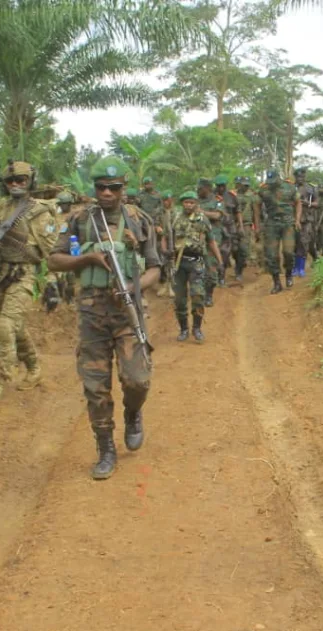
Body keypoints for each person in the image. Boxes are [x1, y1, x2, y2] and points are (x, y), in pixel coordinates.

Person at [46, 157, 161, 480]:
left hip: (128, 313)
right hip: (91, 314)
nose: (107, 193)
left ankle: (133, 411)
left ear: (124, 188)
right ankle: (105, 448)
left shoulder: (139, 220)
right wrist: (86, 258)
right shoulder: (79, 219)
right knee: (96, 388)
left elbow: (155, 268)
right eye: (101, 187)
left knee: (137, 380)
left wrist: (132, 287)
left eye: (114, 187)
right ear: (93, 188)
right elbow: (53, 260)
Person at [0, 161, 58, 409]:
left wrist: (52, 281)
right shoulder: (1, 206)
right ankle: (33, 367)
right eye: (11, 181)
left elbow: (53, 250)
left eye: (21, 180)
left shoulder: (41, 211)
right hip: (1, 274)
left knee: (5, 326)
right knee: (16, 327)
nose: (15, 184)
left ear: (30, 181)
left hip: (25, 275)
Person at [168, 191, 223, 342]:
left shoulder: (202, 220)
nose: (189, 205)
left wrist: (220, 261)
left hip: (196, 262)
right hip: (179, 263)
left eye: (191, 202)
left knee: (198, 296)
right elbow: (168, 237)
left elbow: (211, 241)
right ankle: (184, 329)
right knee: (179, 299)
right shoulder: (175, 218)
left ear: (196, 204)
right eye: (186, 202)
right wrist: (167, 253)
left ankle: (197, 328)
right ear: (182, 204)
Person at [258, 169, 300, 294]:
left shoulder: (290, 187)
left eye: (273, 181)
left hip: (287, 222)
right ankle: (276, 282)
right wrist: (257, 224)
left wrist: (297, 220)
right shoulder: (263, 189)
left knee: (288, 252)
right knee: (271, 255)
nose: (271, 183)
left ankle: (288, 274)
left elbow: (298, 203)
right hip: (271, 223)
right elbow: (256, 205)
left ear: (279, 178)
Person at [44, 191, 78, 311]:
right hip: (56, 249)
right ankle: (53, 301)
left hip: (71, 249)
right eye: (61, 204)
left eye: (65, 204)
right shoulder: (53, 218)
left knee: (71, 277)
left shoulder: (75, 216)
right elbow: (47, 233)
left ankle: (70, 299)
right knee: (53, 277)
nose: (63, 206)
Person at [197, 178, 225, 306]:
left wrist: (202, 213)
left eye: (200, 188)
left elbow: (217, 216)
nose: (198, 190)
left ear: (207, 188)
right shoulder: (195, 200)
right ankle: (199, 292)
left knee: (211, 267)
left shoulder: (217, 200)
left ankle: (209, 294)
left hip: (212, 238)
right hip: (196, 238)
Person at [293, 167, 319, 275]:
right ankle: (295, 267)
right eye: (298, 176)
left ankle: (301, 268)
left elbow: (317, 203)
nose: (300, 179)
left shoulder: (311, 188)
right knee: (294, 243)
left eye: (302, 176)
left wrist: (307, 203)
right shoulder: (291, 188)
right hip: (293, 218)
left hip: (307, 218)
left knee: (304, 242)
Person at [237, 176, 263, 271]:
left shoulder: (252, 196)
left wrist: (257, 227)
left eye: (247, 185)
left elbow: (256, 213)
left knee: (244, 245)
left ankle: (245, 264)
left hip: (246, 224)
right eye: (244, 185)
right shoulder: (234, 195)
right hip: (233, 224)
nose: (245, 187)